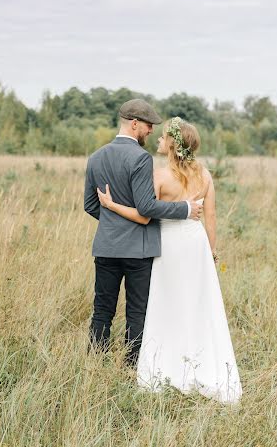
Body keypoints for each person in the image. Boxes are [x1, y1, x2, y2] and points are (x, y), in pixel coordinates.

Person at [97, 117, 242, 403]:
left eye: (163, 138)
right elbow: (210, 217)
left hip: (169, 245)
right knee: (197, 303)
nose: (159, 141)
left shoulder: (160, 176)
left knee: (167, 302)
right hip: (196, 244)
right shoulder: (206, 175)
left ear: (173, 144)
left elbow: (145, 214)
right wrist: (211, 251)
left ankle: (169, 366)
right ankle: (200, 363)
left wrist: (112, 205)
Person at [84, 100, 203, 367]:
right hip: (138, 250)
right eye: (148, 126)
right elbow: (146, 207)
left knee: (102, 309)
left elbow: (90, 205)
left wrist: (113, 221)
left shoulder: (95, 157)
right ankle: (132, 366)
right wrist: (185, 209)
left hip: (105, 248)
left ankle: (95, 366)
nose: (151, 131)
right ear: (134, 123)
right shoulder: (140, 157)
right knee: (137, 312)